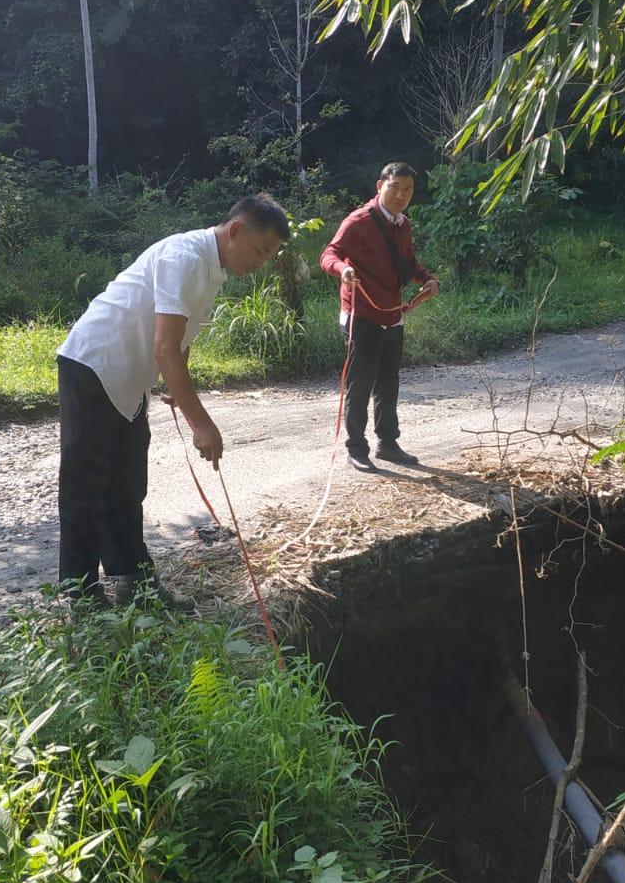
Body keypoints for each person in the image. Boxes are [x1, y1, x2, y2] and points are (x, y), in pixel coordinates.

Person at [57, 194, 290, 603]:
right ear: (235, 231)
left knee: (127, 482)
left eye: (269, 256)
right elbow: (165, 350)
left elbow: (177, 348)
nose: (260, 263)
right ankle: (80, 594)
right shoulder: (185, 257)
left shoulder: (212, 269)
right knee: (86, 484)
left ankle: (135, 583)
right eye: (260, 251)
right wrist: (201, 423)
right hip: (94, 364)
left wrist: (179, 394)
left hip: (129, 379)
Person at [319, 162, 439, 473]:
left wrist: (426, 279)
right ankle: (356, 448)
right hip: (361, 315)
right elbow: (328, 254)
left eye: (408, 189)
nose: (401, 195)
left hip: (392, 314)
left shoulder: (403, 224)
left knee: (389, 383)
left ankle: (388, 444)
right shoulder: (358, 221)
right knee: (360, 384)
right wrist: (342, 270)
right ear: (379, 186)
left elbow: (408, 262)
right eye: (395, 187)